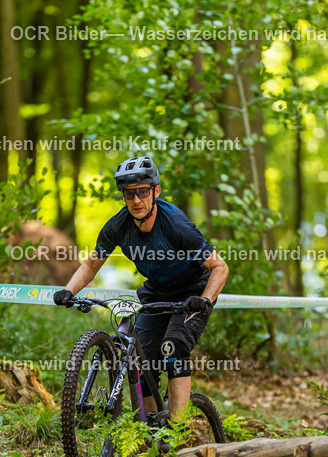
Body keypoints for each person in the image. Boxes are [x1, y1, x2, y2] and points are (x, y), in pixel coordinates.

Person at [53, 155, 229, 423]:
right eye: (129, 194)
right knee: (140, 362)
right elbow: (91, 265)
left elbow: (220, 267)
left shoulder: (176, 225)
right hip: (156, 291)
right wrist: (69, 290)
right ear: (123, 196)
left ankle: (177, 432)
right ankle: (151, 432)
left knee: (173, 348)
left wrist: (204, 299)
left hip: (192, 291)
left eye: (143, 192)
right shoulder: (118, 226)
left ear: (155, 191)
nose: (136, 200)